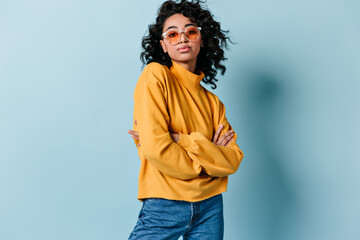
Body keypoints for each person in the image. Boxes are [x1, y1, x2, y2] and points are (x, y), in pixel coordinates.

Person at [127, 0, 244, 239]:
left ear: (202, 39)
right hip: (165, 203)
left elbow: (232, 160)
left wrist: (181, 138)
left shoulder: (213, 103)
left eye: (190, 31)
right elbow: (155, 147)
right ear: (163, 44)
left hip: (211, 206)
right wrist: (209, 158)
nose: (182, 38)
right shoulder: (155, 76)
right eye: (172, 34)